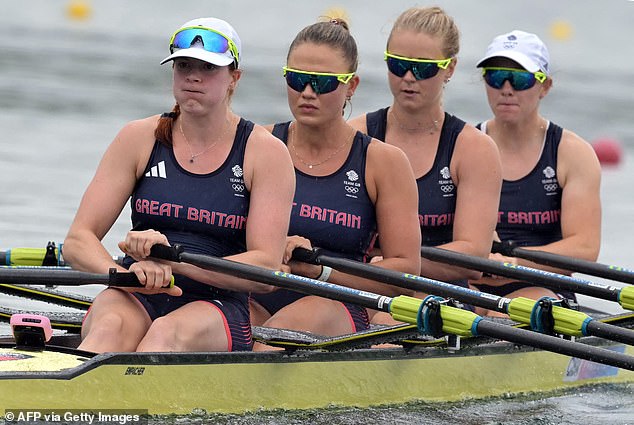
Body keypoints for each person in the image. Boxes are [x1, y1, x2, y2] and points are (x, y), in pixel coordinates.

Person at [62, 17, 295, 352]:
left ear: (234, 78)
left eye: (208, 68)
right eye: (183, 65)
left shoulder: (265, 152)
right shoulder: (138, 138)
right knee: (109, 327)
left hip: (216, 303)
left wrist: (173, 261)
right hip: (136, 289)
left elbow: (265, 268)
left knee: (164, 336)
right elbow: (77, 241)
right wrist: (124, 276)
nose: (193, 76)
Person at [249, 18, 421, 346]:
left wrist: (320, 271)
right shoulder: (259, 143)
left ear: (351, 86)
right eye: (297, 80)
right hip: (261, 293)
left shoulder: (384, 162)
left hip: (338, 300)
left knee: (268, 340)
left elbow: (405, 276)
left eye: (323, 83)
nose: (307, 93)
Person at [348, 6, 502, 322]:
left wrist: (396, 264)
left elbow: (472, 256)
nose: (408, 78)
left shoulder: (474, 149)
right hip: (362, 286)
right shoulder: (356, 134)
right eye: (399, 64)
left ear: (450, 69)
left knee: (382, 320)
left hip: (443, 295)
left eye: (423, 69)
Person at [470, 30, 601, 316]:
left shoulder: (572, 153)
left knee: (510, 311)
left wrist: (516, 266)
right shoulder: (464, 145)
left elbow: (585, 247)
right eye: (495, 77)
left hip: (542, 289)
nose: (506, 89)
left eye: (520, 79)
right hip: (474, 282)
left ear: (545, 86)